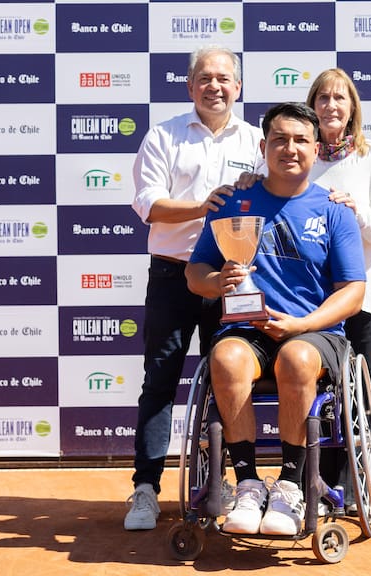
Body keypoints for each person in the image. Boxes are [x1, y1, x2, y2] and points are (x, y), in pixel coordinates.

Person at [185, 102, 366, 536]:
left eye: (301, 140)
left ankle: (289, 485)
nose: (290, 148)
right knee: (225, 358)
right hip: (246, 330)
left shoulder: (335, 209)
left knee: (297, 360)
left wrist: (302, 326)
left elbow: (354, 292)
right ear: (263, 146)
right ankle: (247, 483)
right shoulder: (234, 201)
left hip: (314, 333)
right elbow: (195, 274)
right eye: (280, 140)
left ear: (316, 148)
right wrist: (218, 281)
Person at [125, 45, 263, 531]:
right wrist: (203, 206)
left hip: (229, 277)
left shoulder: (256, 141)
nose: (215, 86)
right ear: (190, 86)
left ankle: (221, 482)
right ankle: (144, 489)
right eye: (205, 78)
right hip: (172, 274)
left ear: (238, 87)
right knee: (160, 382)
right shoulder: (164, 136)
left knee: (227, 382)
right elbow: (148, 205)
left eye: (224, 78)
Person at [306, 68, 371, 510]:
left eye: (340, 98)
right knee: (322, 396)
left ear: (352, 107)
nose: (331, 105)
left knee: (366, 392)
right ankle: (324, 488)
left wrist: (356, 211)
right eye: (323, 97)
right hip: (313, 299)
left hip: (366, 298)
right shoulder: (297, 156)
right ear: (312, 106)